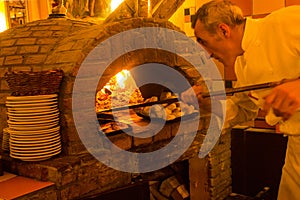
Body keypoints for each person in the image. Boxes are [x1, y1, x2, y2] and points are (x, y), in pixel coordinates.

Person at [180, 0, 300, 199]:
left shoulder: (285, 22)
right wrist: (208, 105)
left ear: (223, 31)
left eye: (204, 42)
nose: (207, 54)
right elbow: (244, 109)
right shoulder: (242, 65)